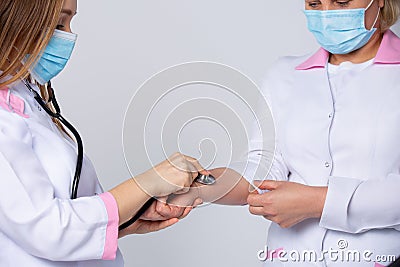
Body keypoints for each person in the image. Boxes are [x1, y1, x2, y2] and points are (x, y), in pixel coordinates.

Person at [155, 0, 400, 266]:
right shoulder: (284, 75)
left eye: (341, 1)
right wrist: (198, 186)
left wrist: (318, 202)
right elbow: (264, 165)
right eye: (315, 3)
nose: (327, 15)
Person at [0, 0, 205, 266]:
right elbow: (46, 229)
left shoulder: (26, 95)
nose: (69, 35)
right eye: (60, 23)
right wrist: (148, 183)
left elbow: (41, 219)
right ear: (19, 19)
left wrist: (126, 219)